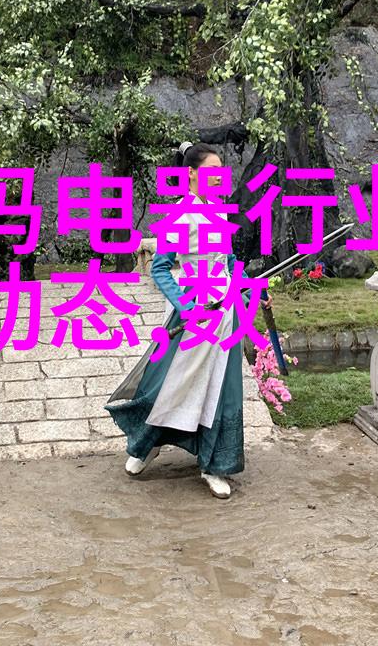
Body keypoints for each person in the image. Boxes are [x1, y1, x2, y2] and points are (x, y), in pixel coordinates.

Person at [105, 141, 272, 499]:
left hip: (224, 314)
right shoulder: (180, 217)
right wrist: (187, 306)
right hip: (194, 313)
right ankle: (147, 444)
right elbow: (160, 269)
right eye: (211, 170)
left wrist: (251, 288)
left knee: (218, 390)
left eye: (221, 170)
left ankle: (214, 465)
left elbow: (228, 263)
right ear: (192, 174)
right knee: (171, 384)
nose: (219, 176)